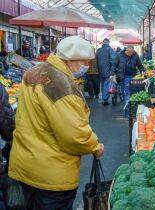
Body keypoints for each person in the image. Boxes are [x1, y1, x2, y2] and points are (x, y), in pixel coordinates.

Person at [8, 36, 104, 210]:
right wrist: (95, 146)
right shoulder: (62, 86)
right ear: (71, 59)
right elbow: (74, 136)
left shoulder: (34, 72)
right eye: (85, 62)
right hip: (51, 176)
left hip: (25, 165)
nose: (87, 67)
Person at [96, 38, 114, 105]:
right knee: (106, 84)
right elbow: (113, 60)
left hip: (100, 70)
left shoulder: (98, 50)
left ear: (103, 43)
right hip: (107, 71)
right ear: (108, 42)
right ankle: (105, 99)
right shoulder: (109, 49)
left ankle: (104, 97)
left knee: (103, 84)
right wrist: (113, 70)